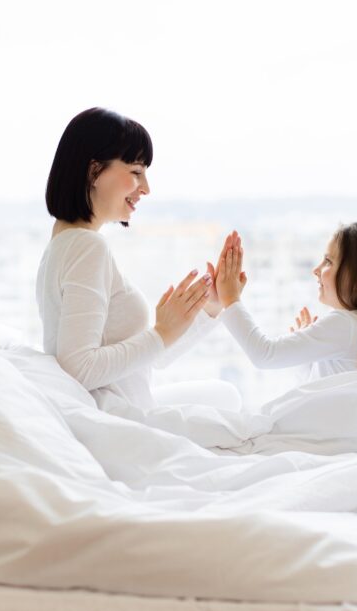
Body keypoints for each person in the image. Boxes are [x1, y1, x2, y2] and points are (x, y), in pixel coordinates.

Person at [36, 107, 232, 412]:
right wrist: (161, 332)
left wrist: (208, 308)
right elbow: (79, 368)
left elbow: (148, 357)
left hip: (121, 405)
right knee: (228, 402)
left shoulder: (64, 243)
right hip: (120, 418)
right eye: (136, 172)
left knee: (224, 395)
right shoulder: (87, 247)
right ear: (94, 171)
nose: (146, 188)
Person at [215, 221, 357, 380]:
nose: (316, 269)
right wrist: (308, 354)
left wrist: (230, 299)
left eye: (328, 261)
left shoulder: (346, 325)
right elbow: (323, 390)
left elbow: (264, 355)